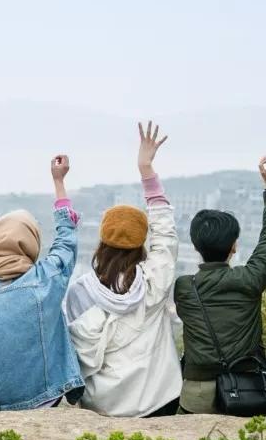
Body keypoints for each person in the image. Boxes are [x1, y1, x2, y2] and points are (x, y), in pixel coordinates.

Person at [64, 122, 180, 417]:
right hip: (158, 401)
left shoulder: (80, 292)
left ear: (102, 241)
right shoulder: (154, 284)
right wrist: (146, 170)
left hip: (102, 406)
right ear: (142, 243)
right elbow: (166, 237)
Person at [0, 154, 83, 410]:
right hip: (43, 398)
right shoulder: (45, 279)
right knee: (53, 317)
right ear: (30, 242)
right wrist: (59, 183)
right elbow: (66, 241)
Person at [174, 153, 266, 415]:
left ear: (195, 246)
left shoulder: (184, 287)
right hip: (247, 388)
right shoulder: (248, 279)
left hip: (196, 392)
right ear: (234, 246)